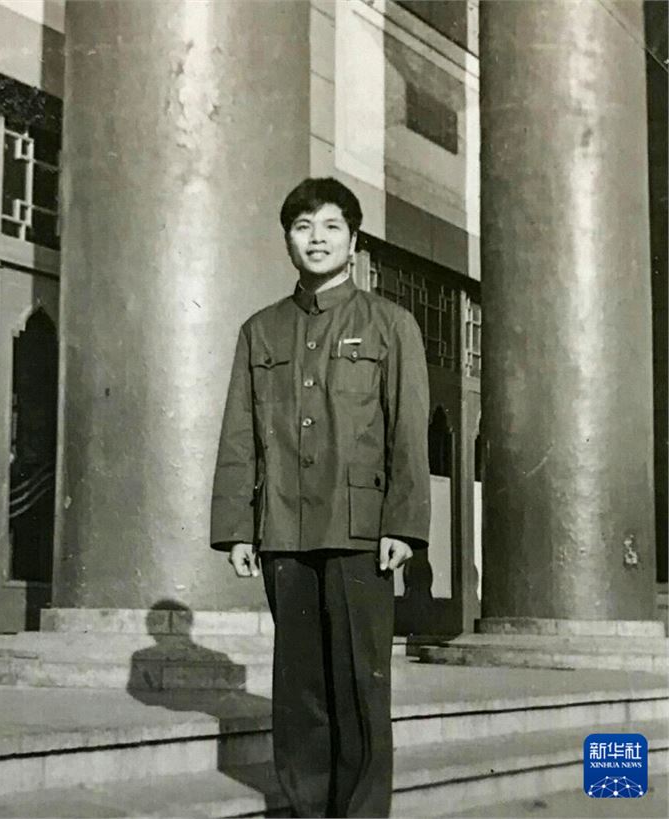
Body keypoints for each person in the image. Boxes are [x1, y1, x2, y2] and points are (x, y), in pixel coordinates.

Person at [210, 177, 431, 818]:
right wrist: (238, 527)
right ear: (287, 240)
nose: (316, 239)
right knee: (299, 687)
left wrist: (402, 524)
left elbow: (408, 432)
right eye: (303, 227)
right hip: (283, 528)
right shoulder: (260, 330)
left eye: (331, 226)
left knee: (360, 685)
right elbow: (239, 433)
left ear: (353, 241)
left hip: (362, 532)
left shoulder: (390, 325)